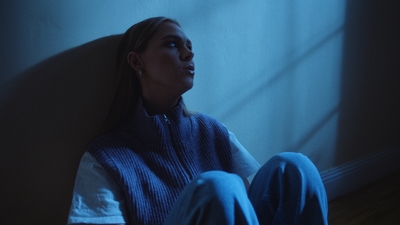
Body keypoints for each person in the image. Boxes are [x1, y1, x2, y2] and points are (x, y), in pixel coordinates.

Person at [67, 16, 328, 225]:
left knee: (294, 167)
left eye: (189, 47)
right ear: (137, 62)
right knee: (218, 186)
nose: (189, 55)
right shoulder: (105, 157)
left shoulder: (211, 131)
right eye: (172, 44)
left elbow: (246, 206)